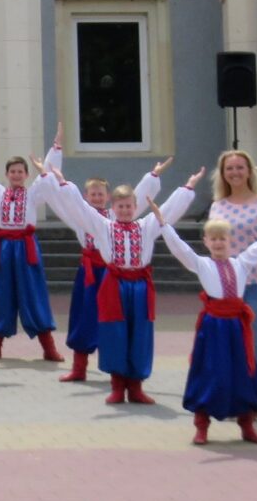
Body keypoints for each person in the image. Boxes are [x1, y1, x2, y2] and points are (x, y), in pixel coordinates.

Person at [48, 162, 200, 407]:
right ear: (113, 207)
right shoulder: (104, 226)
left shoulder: (146, 226)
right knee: (114, 334)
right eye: (121, 206)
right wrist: (64, 183)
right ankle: (118, 387)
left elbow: (168, 211)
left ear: (135, 207)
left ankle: (136, 388)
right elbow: (80, 208)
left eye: (129, 206)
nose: (126, 210)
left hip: (139, 287)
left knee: (140, 334)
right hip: (114, 286)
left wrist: (187, 188)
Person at [157, 205, 257, 444]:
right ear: (206, 242)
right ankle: (202, 426)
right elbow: (180, 249)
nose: (218, 243)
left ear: (230, 241)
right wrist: (164, 225)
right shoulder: (202, 264)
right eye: (213, 239)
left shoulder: (242, 263)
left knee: (242, 372)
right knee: (209, 372)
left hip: (236, 327)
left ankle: (247, 425)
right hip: (213, 328)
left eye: (222, 239)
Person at [41, 161, 165, 386]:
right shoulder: (82, 216)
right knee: (84, 317)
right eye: (93, 194)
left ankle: (118, 370)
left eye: (101, 194)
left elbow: (136, 197)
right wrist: (57, 180)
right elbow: (65, 203)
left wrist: (153, 176)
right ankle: (79, 368)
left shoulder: (114, 215)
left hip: (113, 273)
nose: (97, 198)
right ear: (86, 196)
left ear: (108, 197)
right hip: (90, 273)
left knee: (116, 318)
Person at [0, 128, 68, 363]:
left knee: (33, 292)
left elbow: (46, 177)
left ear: (26, 174)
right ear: (7, 174)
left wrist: (56, 148)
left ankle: (49, 348)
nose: (16, 175)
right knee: (0, 293)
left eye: (20, 171)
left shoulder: (33, 194)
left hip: (26, 248)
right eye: (12, 171)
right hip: (4, 248)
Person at [207, 150, 257, 418]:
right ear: (223, 174)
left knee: (255, 342)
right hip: (228, 287)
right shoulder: (218, 206)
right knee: (230, 343)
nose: (235, 173)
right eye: (229, 168)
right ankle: (234, 401)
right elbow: (214, 244)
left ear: (249, 171)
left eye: (240, 167)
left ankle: (255, 403)